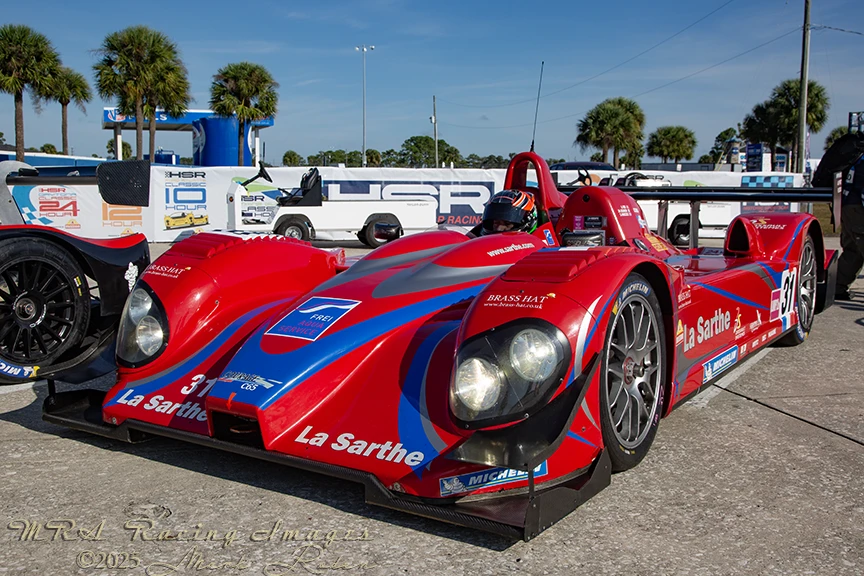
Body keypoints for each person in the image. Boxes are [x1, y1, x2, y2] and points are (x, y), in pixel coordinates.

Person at [836, 151, 864, 300]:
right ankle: (837, 286)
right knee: (855, 249)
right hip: (858, 209)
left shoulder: (858, 157)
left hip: (847, 206)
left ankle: (837, 287)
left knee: (853, 251)